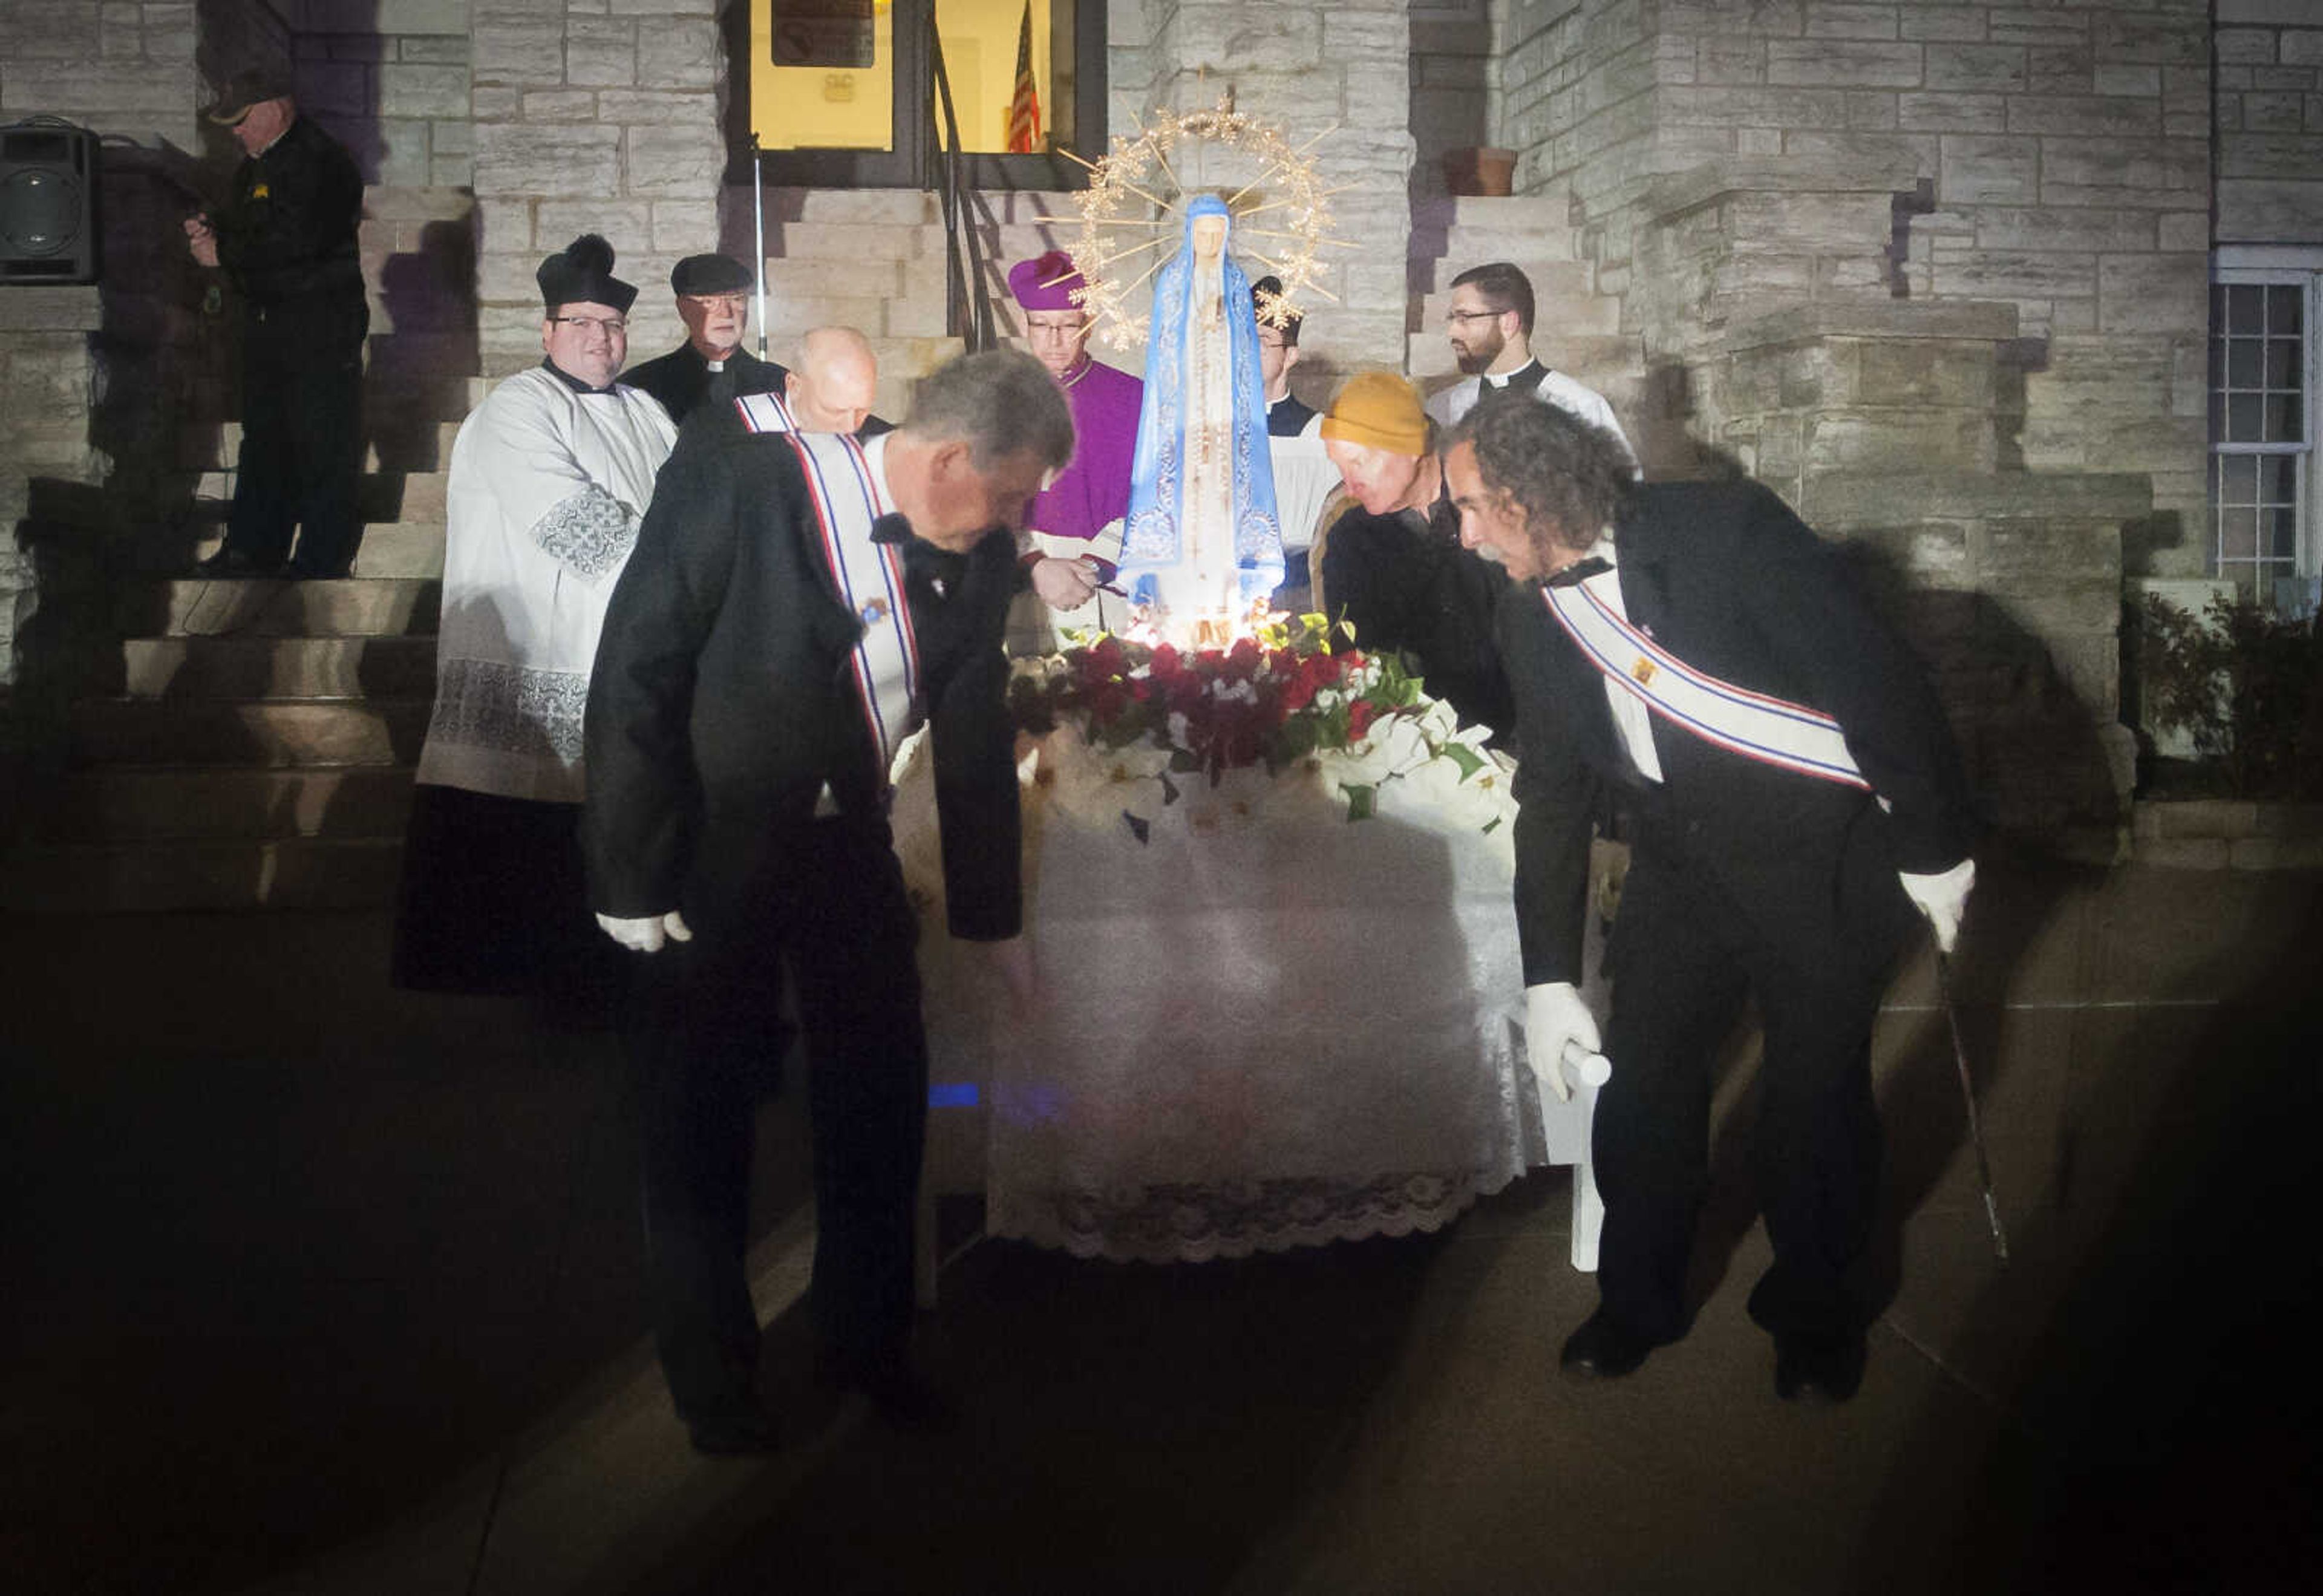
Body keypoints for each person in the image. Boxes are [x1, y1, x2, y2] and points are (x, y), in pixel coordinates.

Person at [583, 349, 1072, 1454]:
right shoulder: (747, 483)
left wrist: (992, 917)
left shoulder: (981, 551)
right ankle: (712, 1381)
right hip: (710, 844)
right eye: (1011, 491)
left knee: (883, 1094)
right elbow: (638, 668)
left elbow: (973, 731)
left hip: (845, 841)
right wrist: (628, 871)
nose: (1017, 516)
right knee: (697, 1116)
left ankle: (867, 1344)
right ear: (948, 458)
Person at [1445, 398, 1978, 1404]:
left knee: (1813, 1105)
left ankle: (1815, 1312)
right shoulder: (1528, 606)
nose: (1465, 535)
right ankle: (1636, 1299)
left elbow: (1876, 682)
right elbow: (1552, 794)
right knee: (1644, 1086)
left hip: (1817, 860)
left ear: (1528, 496)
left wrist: (1935, 843)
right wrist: (1550, 976)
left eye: (1471, 508)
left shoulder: (1729, 531)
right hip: (1678, 868)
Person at [391, 235, 676, 1001]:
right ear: (547, 333)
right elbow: (581, 530)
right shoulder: (518, 409)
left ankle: (596, 982)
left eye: (611, 326)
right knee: (523, 822)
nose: (598, 338)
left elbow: (685, 513)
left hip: (622, 641)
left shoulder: (646, 411)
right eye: (579, 323)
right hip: (540, 646)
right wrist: (685, 594)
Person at [183, 65, 368, 579]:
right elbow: (250, 229)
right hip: (269, 321)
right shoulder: (254, 168)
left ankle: (321, 555)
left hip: (319, 322)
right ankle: (252, 546)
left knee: (320, 437)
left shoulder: (322, 161)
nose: (236, 132)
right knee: (264, 435)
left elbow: (297, 241)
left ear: (275, 107)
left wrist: (225, 254)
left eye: (242, 120)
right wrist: (212, 235)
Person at [1117, 196, 1283, 640]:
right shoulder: (1174, 283)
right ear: (1190, 233)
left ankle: (1232, 619)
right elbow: (1165, 355)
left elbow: (1245, 355)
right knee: (1183, 497)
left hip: (1226, 416)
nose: (1210, 240)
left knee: (1223, 498)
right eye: (1203, 232)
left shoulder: (1235, 283)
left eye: (1217, 232)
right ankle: (1171, 617)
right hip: (1184, 415)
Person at [1316, 370, 1514, 740]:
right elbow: (1356, 663)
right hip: (1418, 747)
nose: (1349, 484)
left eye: (1358, 462)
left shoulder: (1493, 498)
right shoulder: (1351, 538)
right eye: (1340, 467)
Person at [1009, 249, 1143, 634]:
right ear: (1025, 324)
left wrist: (1093, 566)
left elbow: (1155, 493)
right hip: (1017, 577)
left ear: (1089, 324)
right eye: (1041, 325)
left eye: (1068, 326)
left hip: (1100, 580)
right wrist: (1034, 564)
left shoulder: (1131, 398)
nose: (1053, 340)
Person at [1425, 261, 1635, 469]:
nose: (1452, 332)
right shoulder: (1443, 408)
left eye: (1464, 318)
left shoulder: (1580, 406)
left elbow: (1622, 493)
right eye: (1452, 319)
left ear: (1508, 323)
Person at [620, 252, 787, 426]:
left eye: (736, 299)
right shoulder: (643, 387)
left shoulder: (780, 383)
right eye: (708, 302)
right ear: (683, 309)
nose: (725, 313)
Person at [728, 325, 890, 437]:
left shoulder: (882, 442)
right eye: (833, 411)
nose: (850, 429)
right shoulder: (727, 433)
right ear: (794, 386)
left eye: (862, 411)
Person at [1251, 274, 1319, 438]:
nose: (1249, 349)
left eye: (1262, 340)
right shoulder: (1217, 428)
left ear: (1290, 356)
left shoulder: (1314, 433)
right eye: (1243, 338)